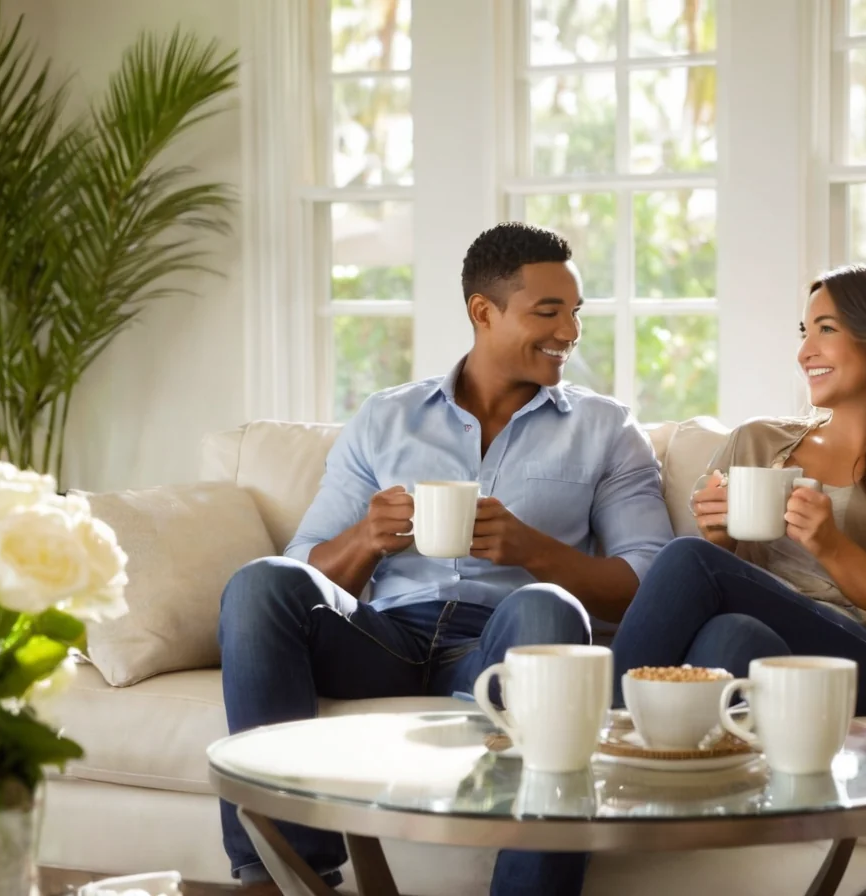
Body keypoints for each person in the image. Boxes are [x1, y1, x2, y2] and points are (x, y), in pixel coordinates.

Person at [216, 222, 674, 895]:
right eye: (548, 312)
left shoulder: (606, 430)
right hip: (386, 638)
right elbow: (303, 566)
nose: (570, 331)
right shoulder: (386, 418)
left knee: (546, 609)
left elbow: (648, 583)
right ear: (482, 312)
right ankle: (285, 875)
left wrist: (533, 550)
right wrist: (367, 538)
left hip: (499, 645)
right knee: (260, 585)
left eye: (576, 312)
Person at [611, 260, 866, 716]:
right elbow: (704, 589)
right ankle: (672, 774)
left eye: (826, 330)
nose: (804, 353)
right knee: (732, 635)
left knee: (688, 559)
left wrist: (833, 547)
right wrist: (721, 540)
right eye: (804, 332)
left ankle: (598, 737)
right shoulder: (756, 441)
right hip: (775, 646)